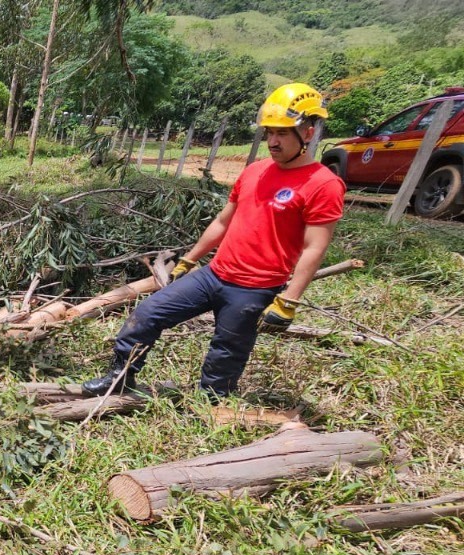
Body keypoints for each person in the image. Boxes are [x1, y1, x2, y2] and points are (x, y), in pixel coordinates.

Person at [82, 83, 344, 398]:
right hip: (214, 274)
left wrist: (290, 300)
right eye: (269, 133)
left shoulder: (323, 184)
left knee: (227, 350)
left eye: (283, 134)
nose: (272, 142)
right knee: (148, 314)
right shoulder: (256, 171)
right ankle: (119, 378)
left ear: (309, 132)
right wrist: (190, 259)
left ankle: (210, 402)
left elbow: (314, 247)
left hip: (255, 288)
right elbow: (223, 221)